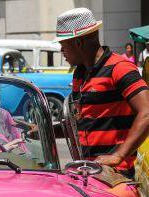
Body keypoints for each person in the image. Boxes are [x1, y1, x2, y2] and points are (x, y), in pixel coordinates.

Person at [56, 7, 149, 177]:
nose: (62, 52)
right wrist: (44, 131)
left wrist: (118, 155)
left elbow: (147, 112)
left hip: (115, 175)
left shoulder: (120, 68)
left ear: (78, 42)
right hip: (88, 171)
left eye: (63, 46)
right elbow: (84, 122)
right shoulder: (79, 73)